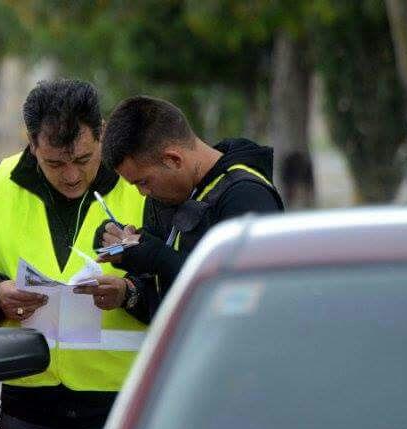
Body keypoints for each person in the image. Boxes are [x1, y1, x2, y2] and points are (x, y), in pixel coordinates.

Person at [0, 80, 166, 429]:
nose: (71, 176)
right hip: (29, 413)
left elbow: (182, 283)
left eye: (83, 160)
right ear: (32, 142)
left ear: (102, 133)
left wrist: (129, 293)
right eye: (55, 163)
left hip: (125, 410)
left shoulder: (142, 187)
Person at [95, 96, 285, 321]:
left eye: (143, 182)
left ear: (173, 160)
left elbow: (245, 298)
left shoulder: (245, 196)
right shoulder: (173, 196)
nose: (142, 193)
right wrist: (128, 289)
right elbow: (167, 301)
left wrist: (158, 257)